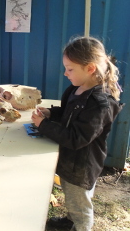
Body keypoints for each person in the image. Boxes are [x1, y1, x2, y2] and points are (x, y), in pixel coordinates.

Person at [31, 36, 123, 231]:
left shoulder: (100, 104)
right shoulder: (77, 88)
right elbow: (68, 114)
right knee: (72, 197)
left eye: (70, 69)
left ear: (90, 68)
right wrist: (51, 113)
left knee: (80, 203)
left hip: (81, 165)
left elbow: (76, 138)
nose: (65, 73)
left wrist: (44, 125)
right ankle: (69, 220)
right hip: (70, 161)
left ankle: (81, 226)